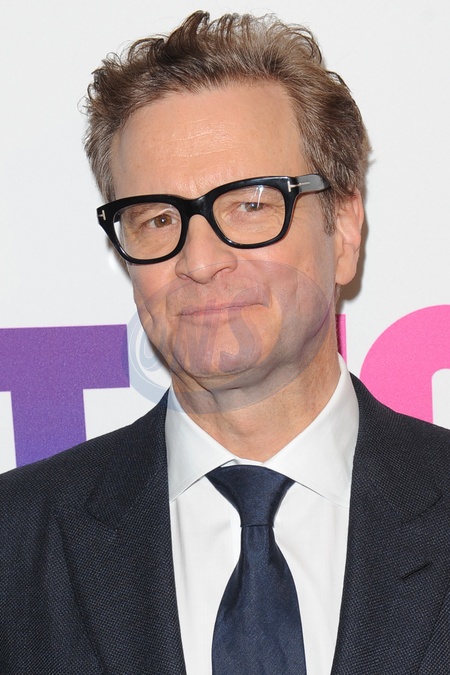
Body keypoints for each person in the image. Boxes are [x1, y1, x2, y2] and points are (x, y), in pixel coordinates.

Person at [1, 10, 450, 675]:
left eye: (250, 204)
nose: (201, 260)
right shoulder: (16, 542)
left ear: (345, 228)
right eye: (158, 218)